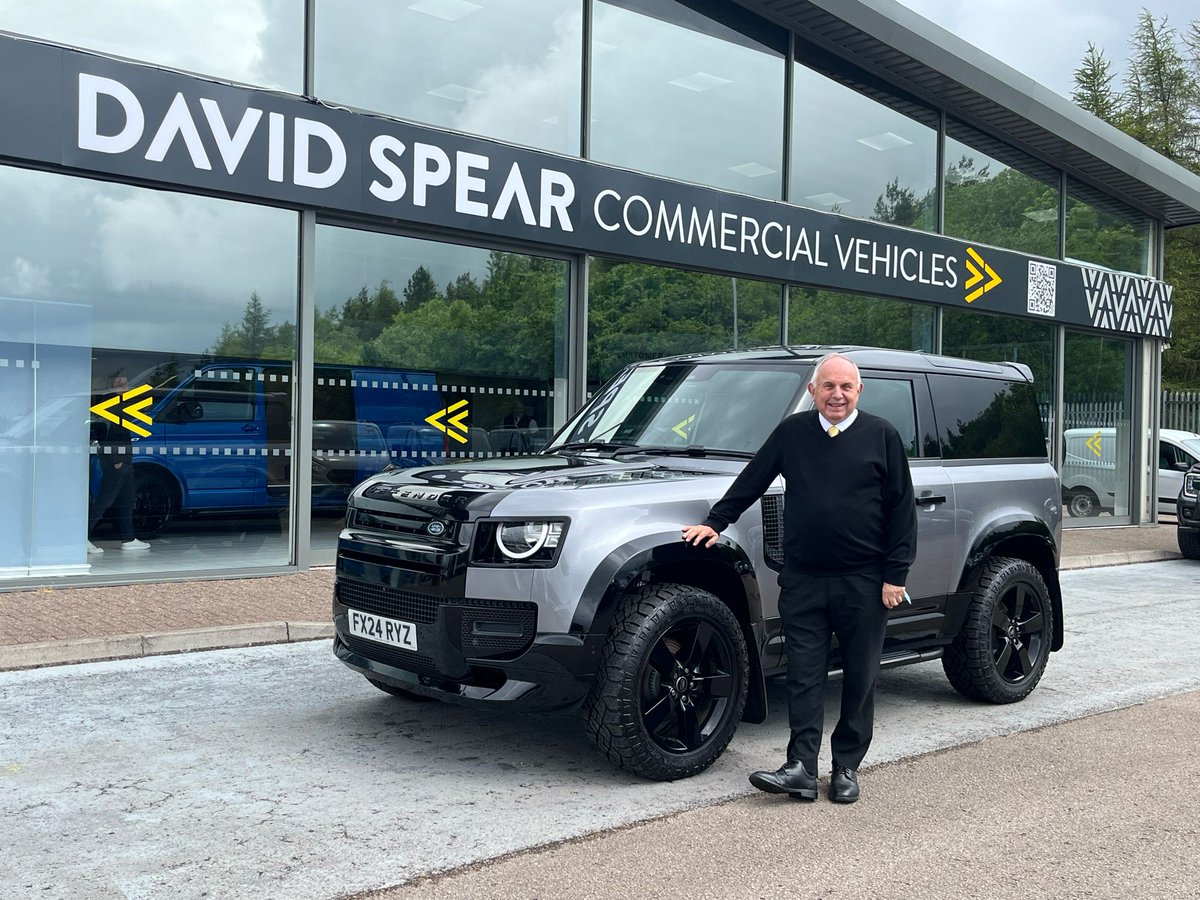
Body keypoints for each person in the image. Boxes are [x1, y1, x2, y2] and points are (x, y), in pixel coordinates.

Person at [682, 353, 916, 804]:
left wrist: (895, 575)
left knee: (860, 678)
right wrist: (716, 522)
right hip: (804, 579)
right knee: (805, 677)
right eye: (828, 386)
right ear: (813, 391)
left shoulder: (882, 436)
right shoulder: (793, 433)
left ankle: (845, 767)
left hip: (865, 584)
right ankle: (802, 769)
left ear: (859, 392)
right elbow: (754, 478)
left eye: (846, 387)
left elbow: (901, 511)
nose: (837, 395)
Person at [87, 405, 150, 554]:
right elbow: (107, 436)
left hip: (124, 461)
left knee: (126, 500)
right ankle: (81, 536)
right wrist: (116, 460)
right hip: (118, 462)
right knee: (105, 499)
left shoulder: (119, 407)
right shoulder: (111, 408)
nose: (123, 384)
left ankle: (128, 539)